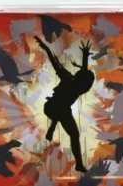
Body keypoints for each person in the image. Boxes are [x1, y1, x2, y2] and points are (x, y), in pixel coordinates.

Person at [34, 36, 95, 172]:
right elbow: (55, 64)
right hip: (51, 107)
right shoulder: (71, 82)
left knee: (74, 133)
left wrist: (85, 56)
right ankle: (52, 127)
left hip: (62, 110)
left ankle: (79, 164)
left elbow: (83, 73)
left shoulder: (77, 86)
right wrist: (46, 49)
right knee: (63, 109)